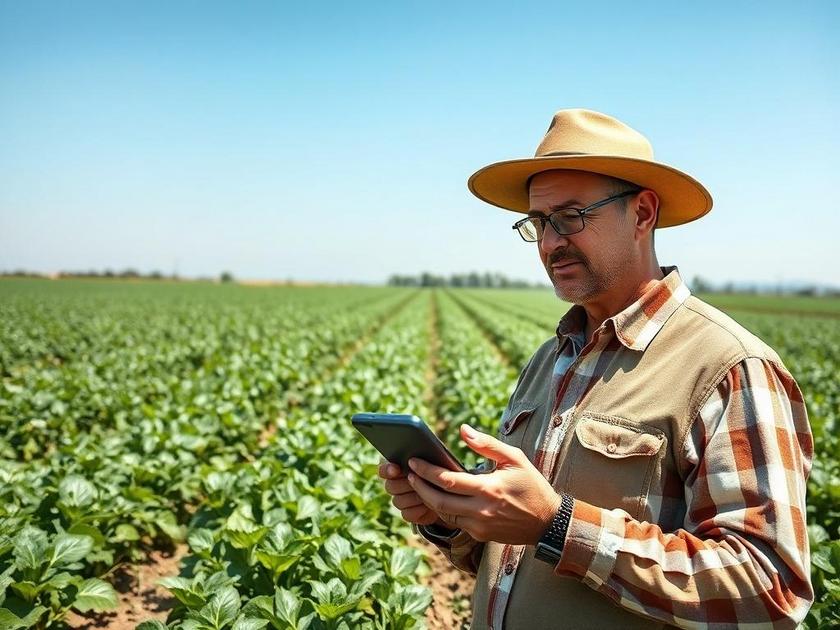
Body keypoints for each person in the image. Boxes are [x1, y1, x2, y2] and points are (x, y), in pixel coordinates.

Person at [378, 109, 814, 629]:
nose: (548, 244)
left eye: (570, 218)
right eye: (538, 223)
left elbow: (770, 588)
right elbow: (512, 560)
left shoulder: (729, 367)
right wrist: (452, 520)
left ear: (643, 214)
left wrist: (557, 524)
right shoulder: (552, 356)